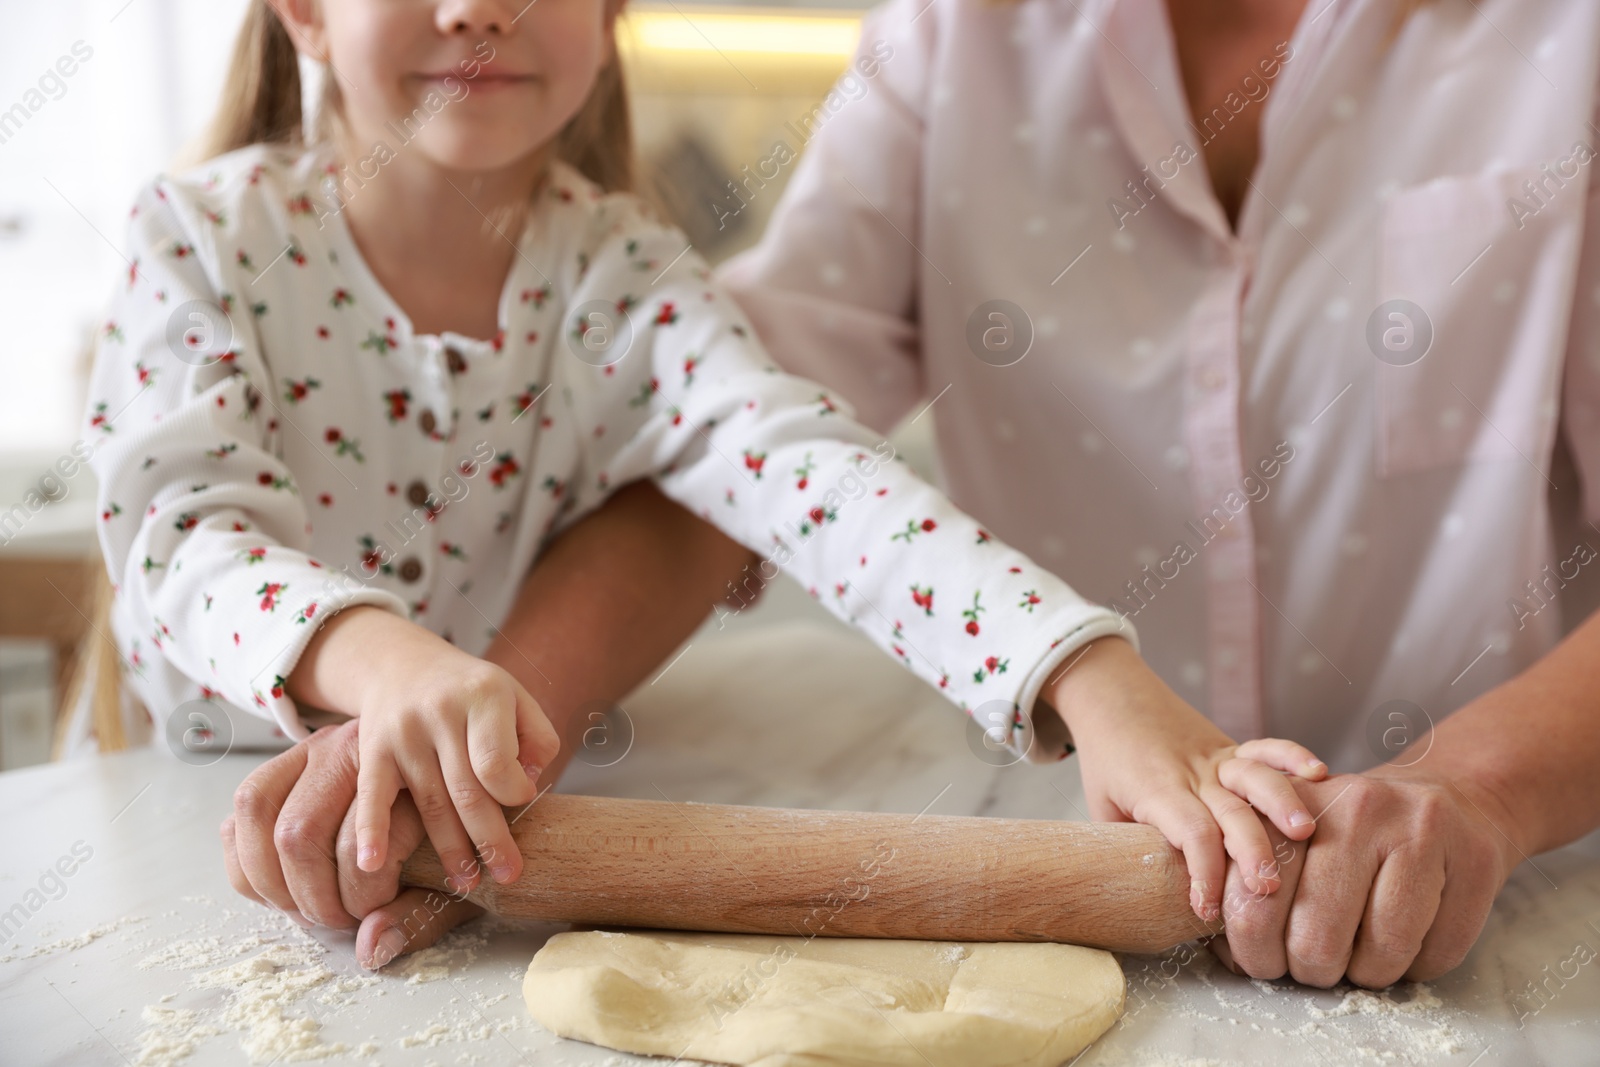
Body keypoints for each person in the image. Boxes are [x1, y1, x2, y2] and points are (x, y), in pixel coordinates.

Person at [228, 0, 1600, 988]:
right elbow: (739, 462)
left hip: (1520, 894)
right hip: (1064, 873)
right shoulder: (954, 38)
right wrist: (476, 749)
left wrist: (1471, 792)